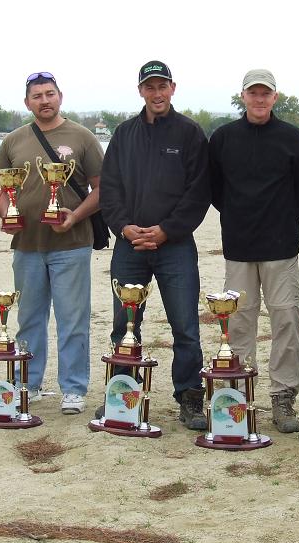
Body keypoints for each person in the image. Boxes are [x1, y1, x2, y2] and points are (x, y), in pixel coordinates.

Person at [99, 60, 211, 430]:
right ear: (141, 91)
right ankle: (121, 395)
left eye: (163, 86)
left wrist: (166, 230)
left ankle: (190, 397)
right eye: (150, 87)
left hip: (175, 246)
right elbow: (109, 188)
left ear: (173, 88)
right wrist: (125, 228)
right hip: (129, 246)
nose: (157, 93)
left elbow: (199, 193)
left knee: (185, 327)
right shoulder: (124, 133)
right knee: (124, 324)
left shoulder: (190, 134)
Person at [0, 71, 103, 415]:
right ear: (27, 103)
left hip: (72, 244)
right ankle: (30, 383)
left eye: (49, 94)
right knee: (30, 318)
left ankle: (73, 388)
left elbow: (103, 188)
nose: (44, 101)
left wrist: (75, 216)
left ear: (60, 96)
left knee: (73, 318)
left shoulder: (82, 138)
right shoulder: (13, 141)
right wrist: (6, 215)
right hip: (26, 245)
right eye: (37, 96)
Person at [209, 69, 299, 433]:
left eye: (265, 93)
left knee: (286, 320)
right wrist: (241, 220)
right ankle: (237, 393)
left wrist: (282, 224)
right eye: (253, 93)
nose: (259, 99)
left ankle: (283, 397)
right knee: (239, 321)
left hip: (281, 248)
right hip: (238, 247)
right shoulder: (223, 138)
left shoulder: (294, 139)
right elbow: (217, 191)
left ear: (274, 97)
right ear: (243, 96)